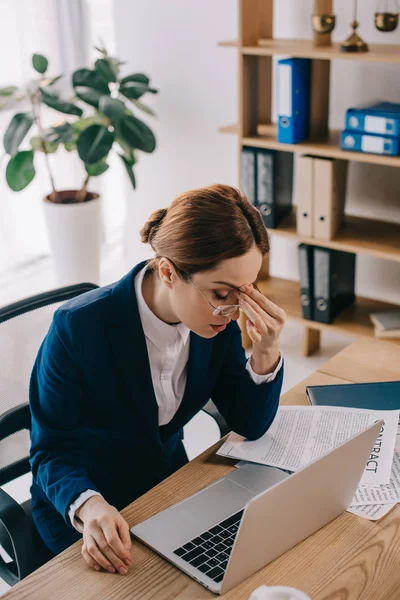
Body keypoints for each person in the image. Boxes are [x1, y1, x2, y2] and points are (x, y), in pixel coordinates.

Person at [29, 184, 286, 576]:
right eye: (223, 292)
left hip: (166, 492)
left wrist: (266, 352)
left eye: (246, 291)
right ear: (168, 271)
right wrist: (88, 504)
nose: (235, 310)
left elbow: (248, 423)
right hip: (87, 515)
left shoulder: (216, 322)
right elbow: (50, 449)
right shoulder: (79, 327)